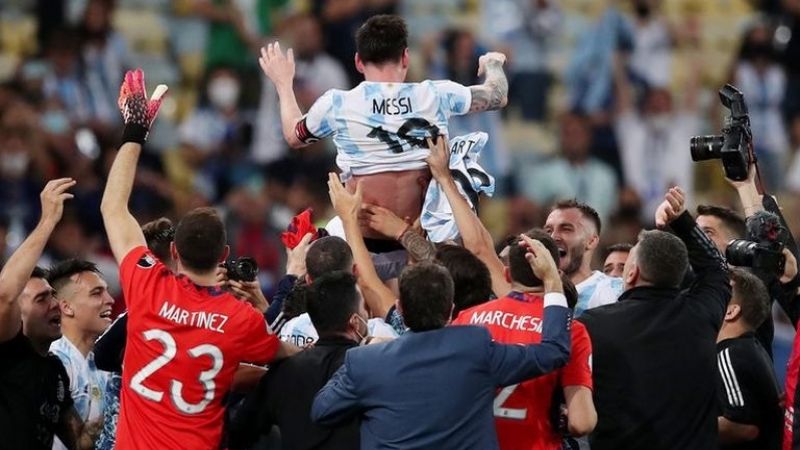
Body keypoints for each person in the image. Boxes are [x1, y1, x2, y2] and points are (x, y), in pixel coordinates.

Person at [101, 69, 298, 450]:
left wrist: (135, 132)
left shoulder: (146, 285)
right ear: (224, 254)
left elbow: (113, 207)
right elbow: (285, 354)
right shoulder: (240, 318)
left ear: (174, 251)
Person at [311, 215, 571, 449]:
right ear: (450, 309)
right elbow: (553, 351)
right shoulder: (476, 348)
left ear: (400, 309)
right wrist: (551, 280)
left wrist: (367, 351)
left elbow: (321, 411)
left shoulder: (366, 362)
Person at [258, 14, 509, 238]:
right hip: (422, 240)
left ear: (358, 61)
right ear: (405, 58)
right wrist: (493, 63)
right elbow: (498, 96)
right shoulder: (436, 95)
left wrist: (283, 84)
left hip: (364, 241)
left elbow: (293, 136)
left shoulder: (337, 104)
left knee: (315, 245)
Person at [578, 187, 731, 450]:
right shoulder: (701, 314)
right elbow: (717, 269)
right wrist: (682, 221)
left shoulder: (592, 325)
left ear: (631, 273)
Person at [452, 229, 596, 450]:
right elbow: (581, 422)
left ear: (507, 274)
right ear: (556, 273)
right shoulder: (570, 330)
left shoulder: (466, 318)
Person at [0, 178, 97, 450]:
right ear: (17, 316)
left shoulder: (54, 371)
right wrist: (48, 222)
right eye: (41, 299)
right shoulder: (8, 352)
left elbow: (80, 441)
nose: (55, 304)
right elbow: (5, 294)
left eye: (53, 295)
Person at [229, 271, 367, 449]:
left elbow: (240, 431)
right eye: (364, 307)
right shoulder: (372, 368)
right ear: (355, 321)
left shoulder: (284, 371)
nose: (366, 313)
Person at [48, 259, 114, 450]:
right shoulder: (55, 362)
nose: (110, 299)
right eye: (97, 293)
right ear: (67, 307)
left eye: (107, 291)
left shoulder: (105, 363)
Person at [717, 269, 782, 450]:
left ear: (731, 311)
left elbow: (744, 428)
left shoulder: (730, 354)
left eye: (714, 294)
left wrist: (685, 424)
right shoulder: (751, 349)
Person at [544, 199, 623, 316]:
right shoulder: (531, 292)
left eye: (566, 229)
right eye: (548, 231)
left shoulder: (614, 291)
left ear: (591, 241)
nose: (553, 237)